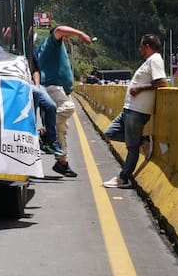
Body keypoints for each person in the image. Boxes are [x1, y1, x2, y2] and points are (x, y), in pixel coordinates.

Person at [102, 34, 167, 189]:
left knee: (132, 148)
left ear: (147, 46)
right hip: (130, 109)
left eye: (141, 46)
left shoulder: (155, 59)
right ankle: (142, 140)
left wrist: (139, 88)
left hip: (137, 110)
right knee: (110, 132)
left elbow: (161, 82)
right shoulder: (149, 61)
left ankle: (123, 178)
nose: (139, 49)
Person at [35, 24, 93, 176]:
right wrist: (81, 34)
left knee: (61, 129)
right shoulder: (52, 42)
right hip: (52, 88)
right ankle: (46, 132)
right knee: (68, 107)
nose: (66, 40)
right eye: (66, 37)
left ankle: (62, 163)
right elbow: (59, 30)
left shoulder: (51, 48)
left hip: (56, 89)